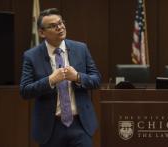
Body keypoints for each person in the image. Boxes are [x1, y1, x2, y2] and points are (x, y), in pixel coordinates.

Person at [20, 8, 101, 147]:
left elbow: (97, 80)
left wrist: (77, 77)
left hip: (80, 125)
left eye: (60, 23)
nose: (60, 27)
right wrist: (50, 80)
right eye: (53, 26)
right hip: (50, 128)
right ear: (41, 32)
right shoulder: (31, 56)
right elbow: (25, 91)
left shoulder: (81, 49)